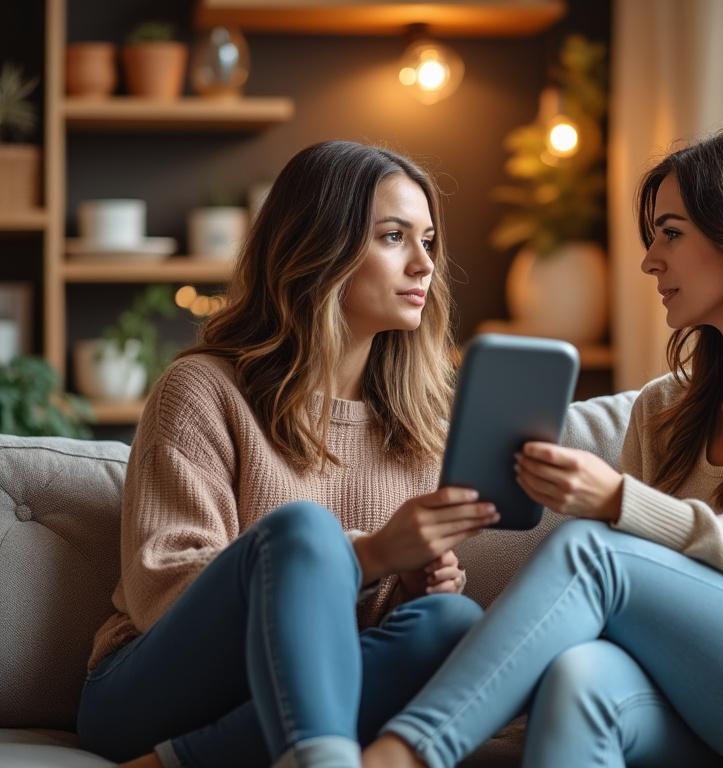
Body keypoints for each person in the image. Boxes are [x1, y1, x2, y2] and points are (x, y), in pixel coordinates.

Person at [362, 124, 723, 768]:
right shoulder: (663, 411)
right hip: (722, 690)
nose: (649, 260)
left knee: (593, 552)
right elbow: (655, 605)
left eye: (670, 233)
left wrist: (621, 501)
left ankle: (403, 755)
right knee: (581, 678)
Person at [76, 141, 500, 768]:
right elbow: (161, 589)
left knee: (452, 622)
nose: (423, 265)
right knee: (302, 530)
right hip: (151, 687)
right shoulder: (202, 390)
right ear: (318, 247)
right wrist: (369, 552)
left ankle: (184, 762)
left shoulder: (418, 423)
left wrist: (412, 584)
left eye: (429, 241)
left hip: (301, 695)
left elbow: (365, 638)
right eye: (392, 237)